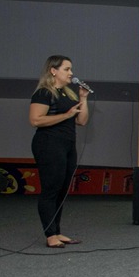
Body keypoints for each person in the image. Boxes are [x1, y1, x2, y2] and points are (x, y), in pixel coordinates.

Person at [29, 55, 90, 248]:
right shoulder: (43, 93)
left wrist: (82, 98)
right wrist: (66, 115)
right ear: (53, 71)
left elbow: (81, 121)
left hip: (67, 145)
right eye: (67, 69)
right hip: (48, 144)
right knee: (51, 189)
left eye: (71, 69)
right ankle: (50, 235)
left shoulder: (68, 94)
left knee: (62, 189)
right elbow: (35, 120)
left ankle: (57, 230)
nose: (71, 73)